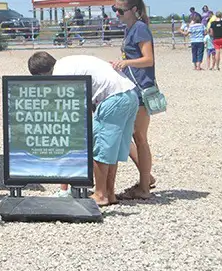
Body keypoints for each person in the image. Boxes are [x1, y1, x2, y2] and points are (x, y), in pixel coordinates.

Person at [28, 52, 139, 207]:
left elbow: (72, 106)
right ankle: (109, 193)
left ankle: (100, 194)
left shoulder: (60, 74)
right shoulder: (68, 62)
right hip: (129, 95)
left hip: (112, 98)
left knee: (100, 149)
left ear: (41, 73)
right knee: (111, 150)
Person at [111, 0, 157, 200]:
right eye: (115, 9)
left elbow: (148, 59)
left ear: (134, 9)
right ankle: (146, 177)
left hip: (140, 90)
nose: (117, 14)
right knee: (130, 135)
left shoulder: (139, 28)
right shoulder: (130, 28)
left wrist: (125, 62)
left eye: (121, 10)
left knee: (139, 138)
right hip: (132, 89)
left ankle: (145, 186)